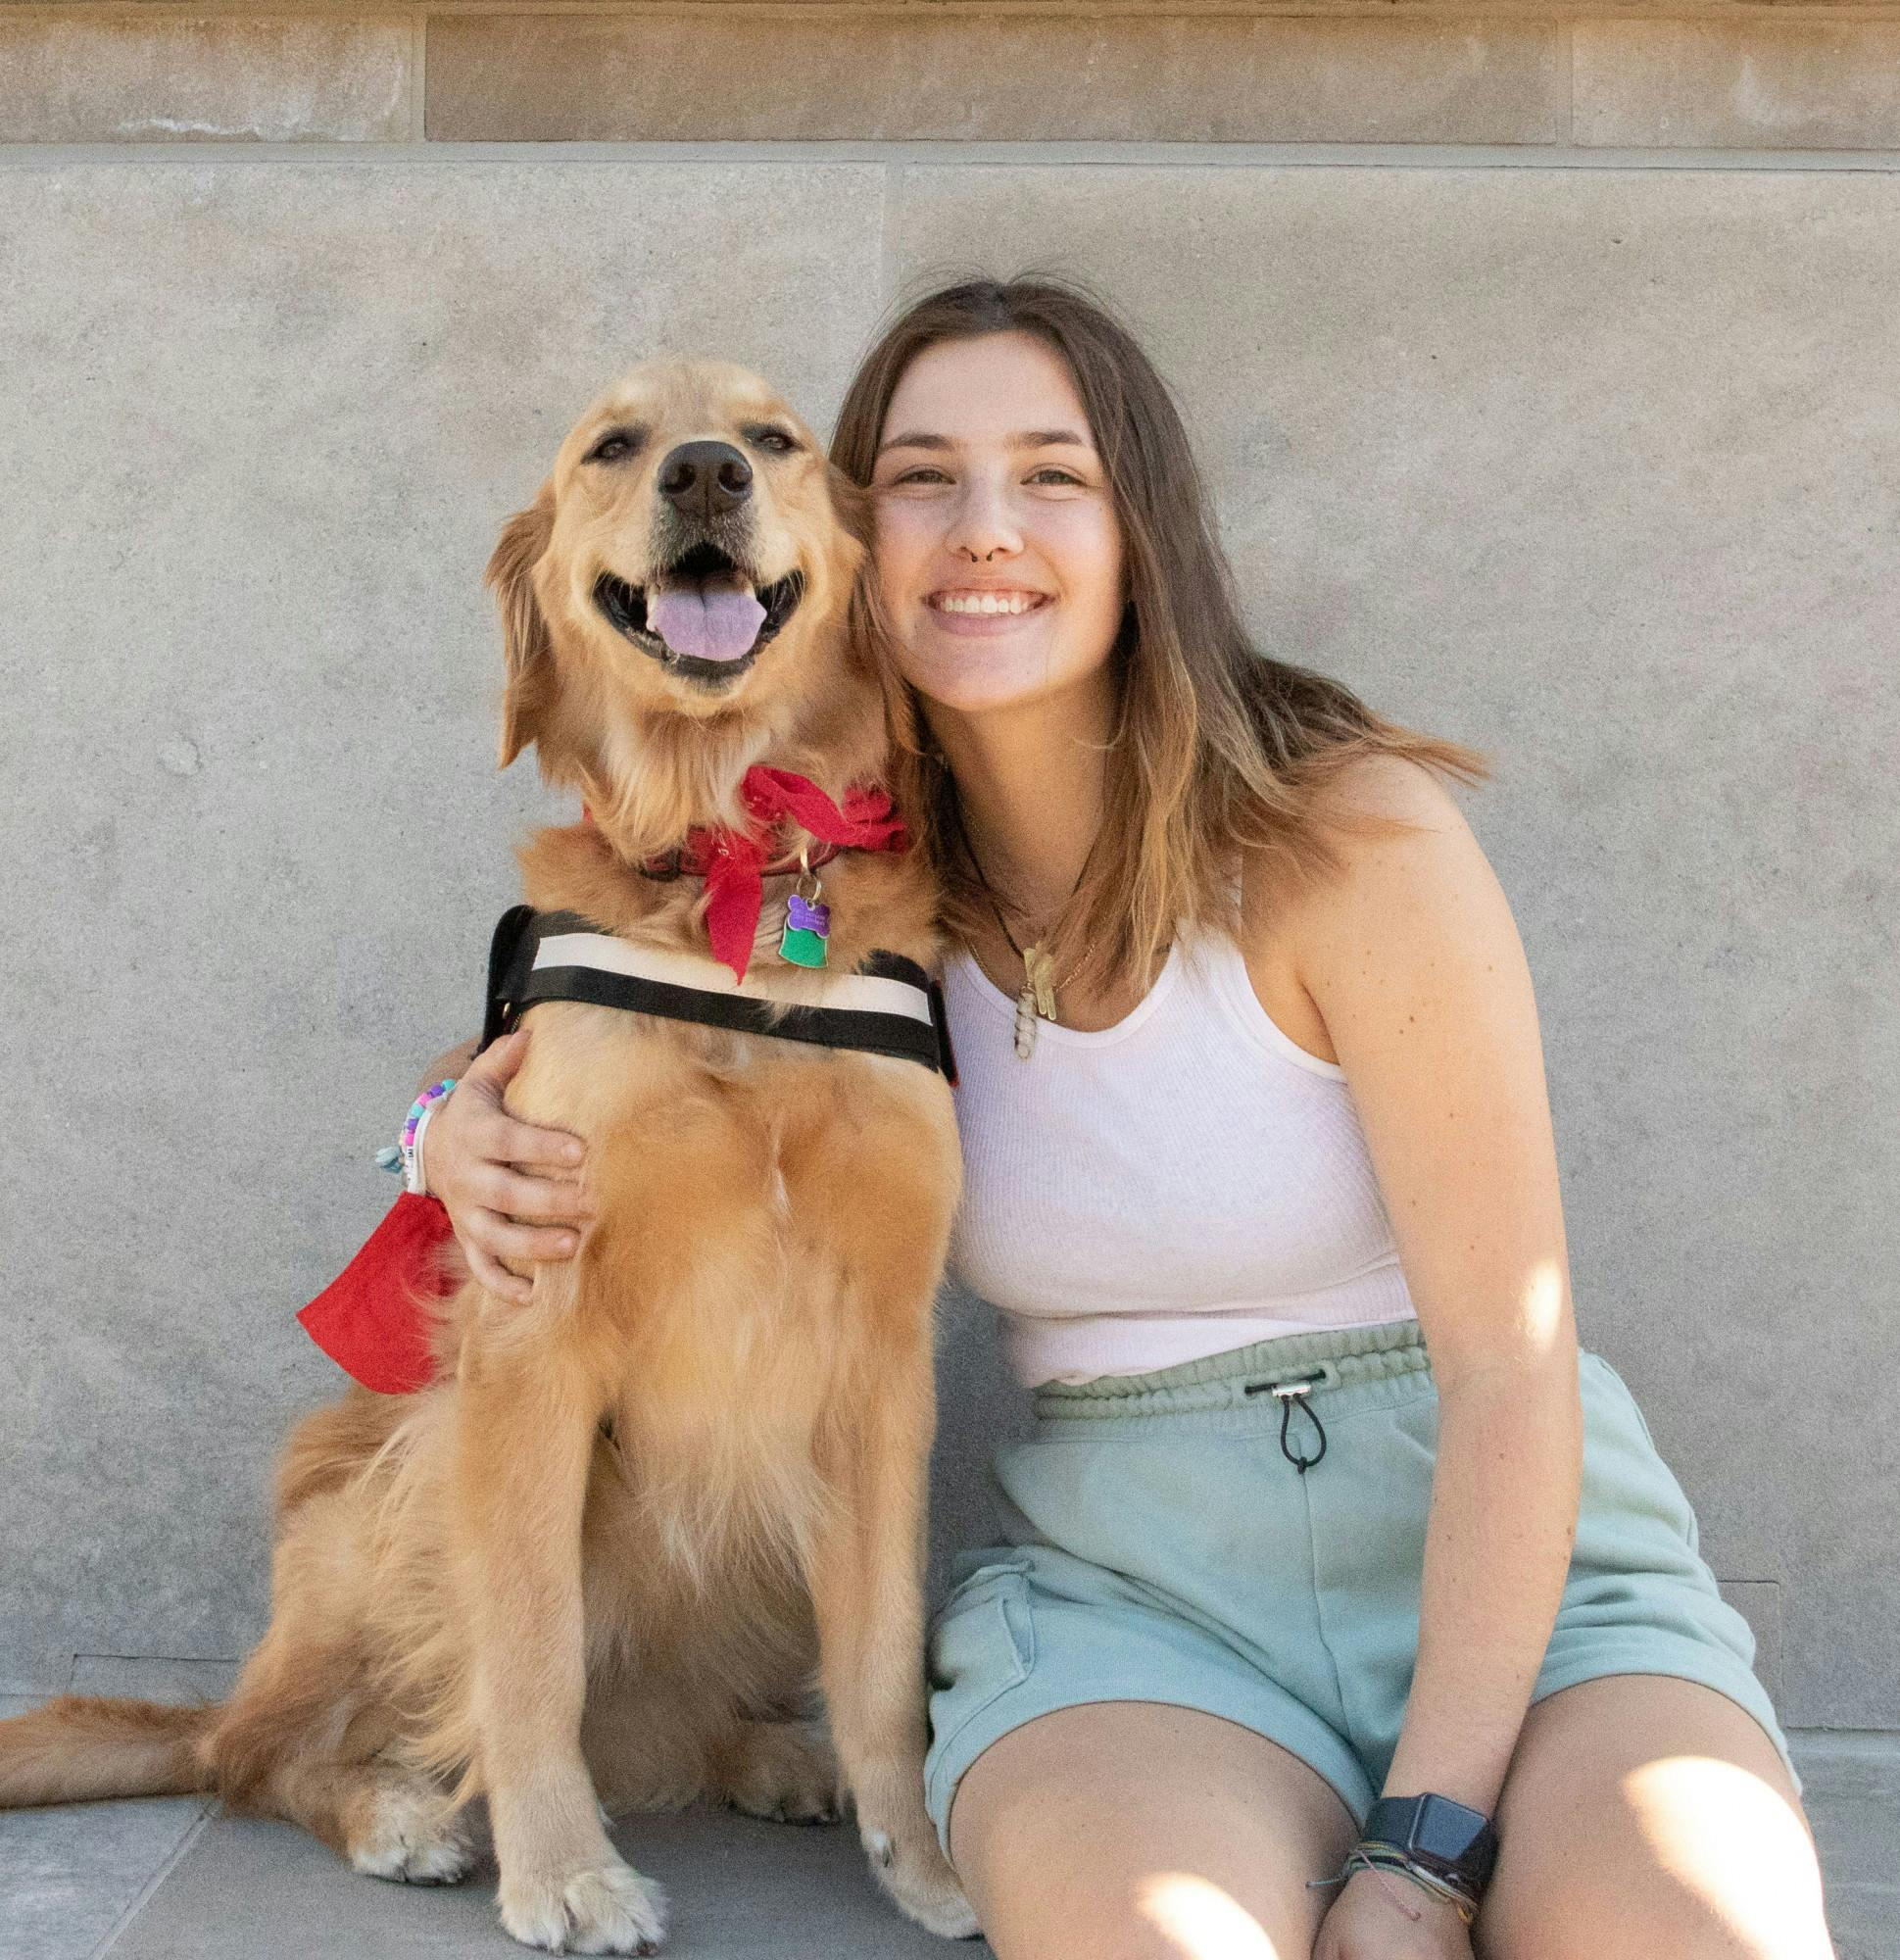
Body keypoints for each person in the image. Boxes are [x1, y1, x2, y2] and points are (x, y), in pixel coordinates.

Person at [407, 276, 1835, 1959]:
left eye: (1053, 475)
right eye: (924, 477)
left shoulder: (1349, 841)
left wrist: (1423, 1853)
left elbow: (1514, 1365)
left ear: (1141, 528)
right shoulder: (851, 900)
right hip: (1136, 1607)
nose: (983, 526)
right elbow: (591, 1065)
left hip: (1529, 1578)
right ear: (851, 554)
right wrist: (438, 1134)